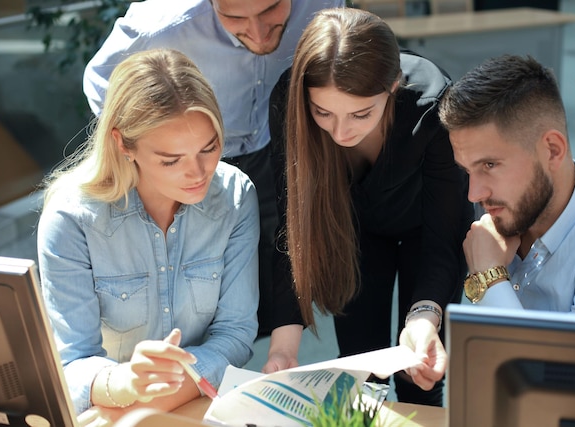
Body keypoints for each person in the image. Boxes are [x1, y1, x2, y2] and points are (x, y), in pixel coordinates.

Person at [83, 0, 344, 337]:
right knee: (192, 290)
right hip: (197, 159)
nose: (258, 32)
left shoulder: (323, 4)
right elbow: (101, 81)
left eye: (271, 11)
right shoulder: (162, 22)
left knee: (269, 278)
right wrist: (148, 155)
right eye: (234, 17)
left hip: (275, 148)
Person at [265, 8, 473, 406]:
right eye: (322, 112)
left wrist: (424, 317)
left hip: (425, 229)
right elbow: (293, 223)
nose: (341, 132)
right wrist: (283, 346)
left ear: (393, 86)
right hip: (350, 230)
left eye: (361, 114)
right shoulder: (289, 99)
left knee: (420, 374)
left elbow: (445, 234)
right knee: (361, 372)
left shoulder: (433, 103)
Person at [37, 49, 259, 419]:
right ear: (123, 144)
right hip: (109, 408)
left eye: (210, 148)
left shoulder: (235, 197)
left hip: (194, 409)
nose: (199, 172)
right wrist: (127, 383)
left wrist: (145, 407)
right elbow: (72, 362)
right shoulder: (71, 219)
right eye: (171, 160)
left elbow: (235, 335)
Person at [438, 54, 575, 313]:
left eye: (490, 165)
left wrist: (489, 277)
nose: (474, 195)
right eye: (467, 170)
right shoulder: (504, 214)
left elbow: (560, 356)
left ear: (552, 150)